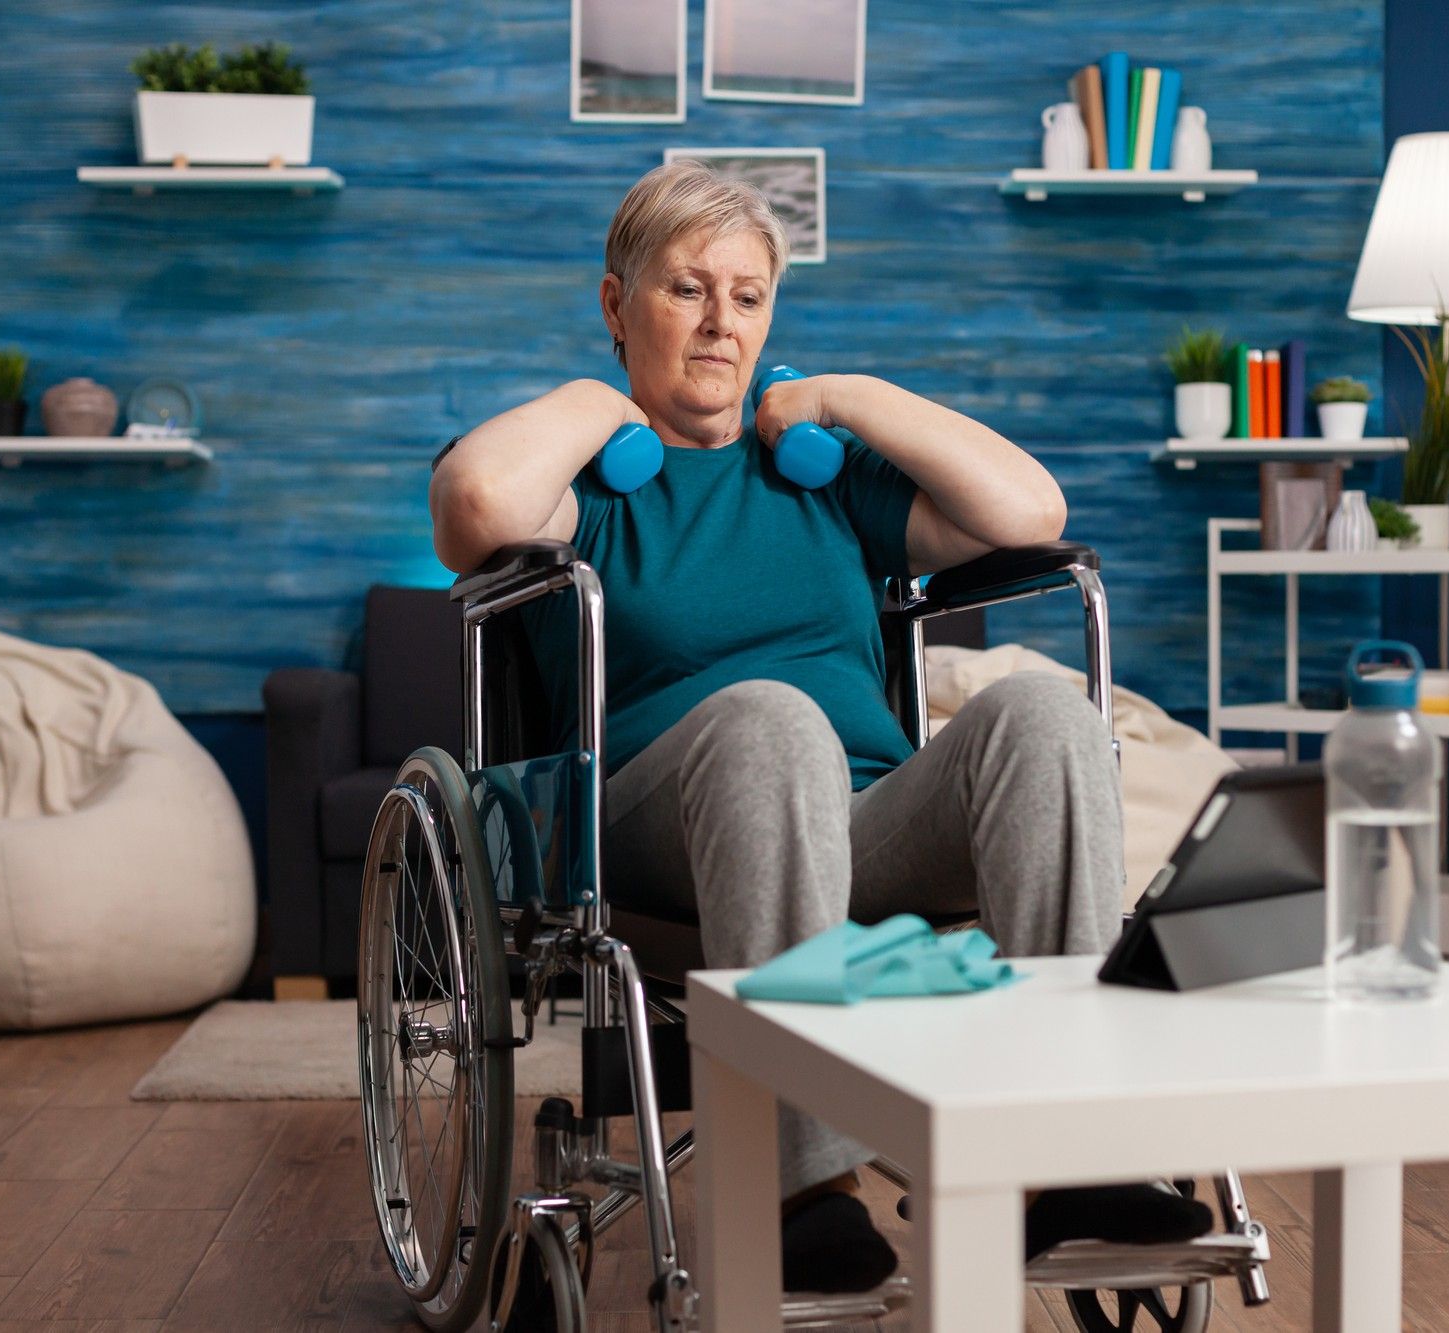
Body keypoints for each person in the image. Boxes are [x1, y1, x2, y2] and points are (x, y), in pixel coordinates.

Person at [429, 160, 1208, 1292]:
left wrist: (839, 397)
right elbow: (477, 510)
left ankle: (1070, 1155)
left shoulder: (822, 477)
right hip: (662, 816)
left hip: (863, 816)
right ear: (615, 305)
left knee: (1042, 704)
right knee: (768, 718)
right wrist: (602, 405)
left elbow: (1030, 510)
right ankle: (801, 1192)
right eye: (686, 290)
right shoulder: (589, 484)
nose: (718, 322)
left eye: (747, 298)